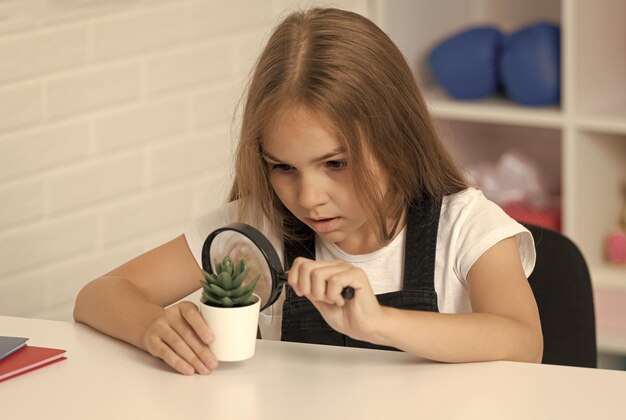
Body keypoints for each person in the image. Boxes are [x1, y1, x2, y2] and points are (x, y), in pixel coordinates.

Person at [74, 7, 543, 376]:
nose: (309, 197)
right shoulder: (255, 227)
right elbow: (99, 294)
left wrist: (379, 322)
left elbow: (523, 343)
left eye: (335, 164)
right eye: (283, 168)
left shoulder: (465, 225)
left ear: (395, 137)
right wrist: (153, 327)